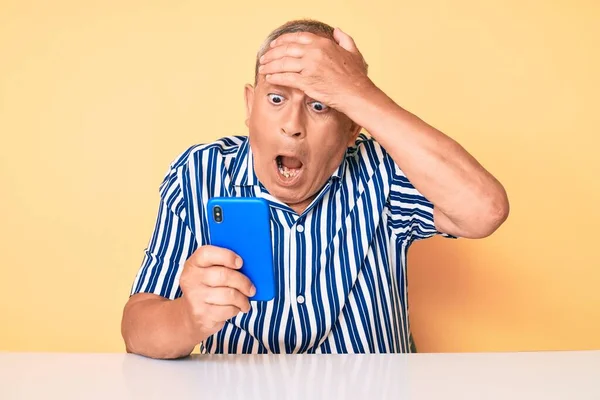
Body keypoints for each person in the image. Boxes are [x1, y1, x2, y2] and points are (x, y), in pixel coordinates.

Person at [121, 19, 509, 359]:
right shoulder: (200, 172)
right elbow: (136, 328)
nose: (293, 125)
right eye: (276, 99)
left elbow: (484, 210)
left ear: (352, 126)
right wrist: (187, 318)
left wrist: (358, 93)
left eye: (320, 105)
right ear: (249, 105)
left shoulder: (385, 170)